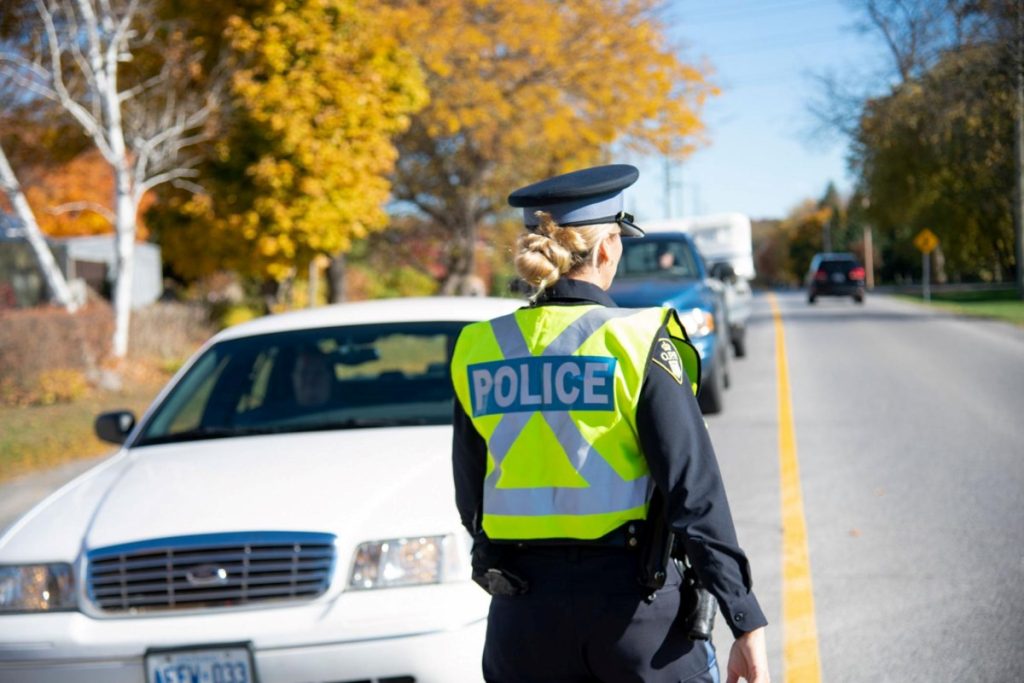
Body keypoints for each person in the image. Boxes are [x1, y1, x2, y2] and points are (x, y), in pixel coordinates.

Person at [450, 164, 770, 683]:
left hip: (523, 627)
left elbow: (472, 502)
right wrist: (743, 617)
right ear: (607, 250)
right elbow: (695, 494)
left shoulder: (477, 348)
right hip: (637, 625)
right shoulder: (639, 341)